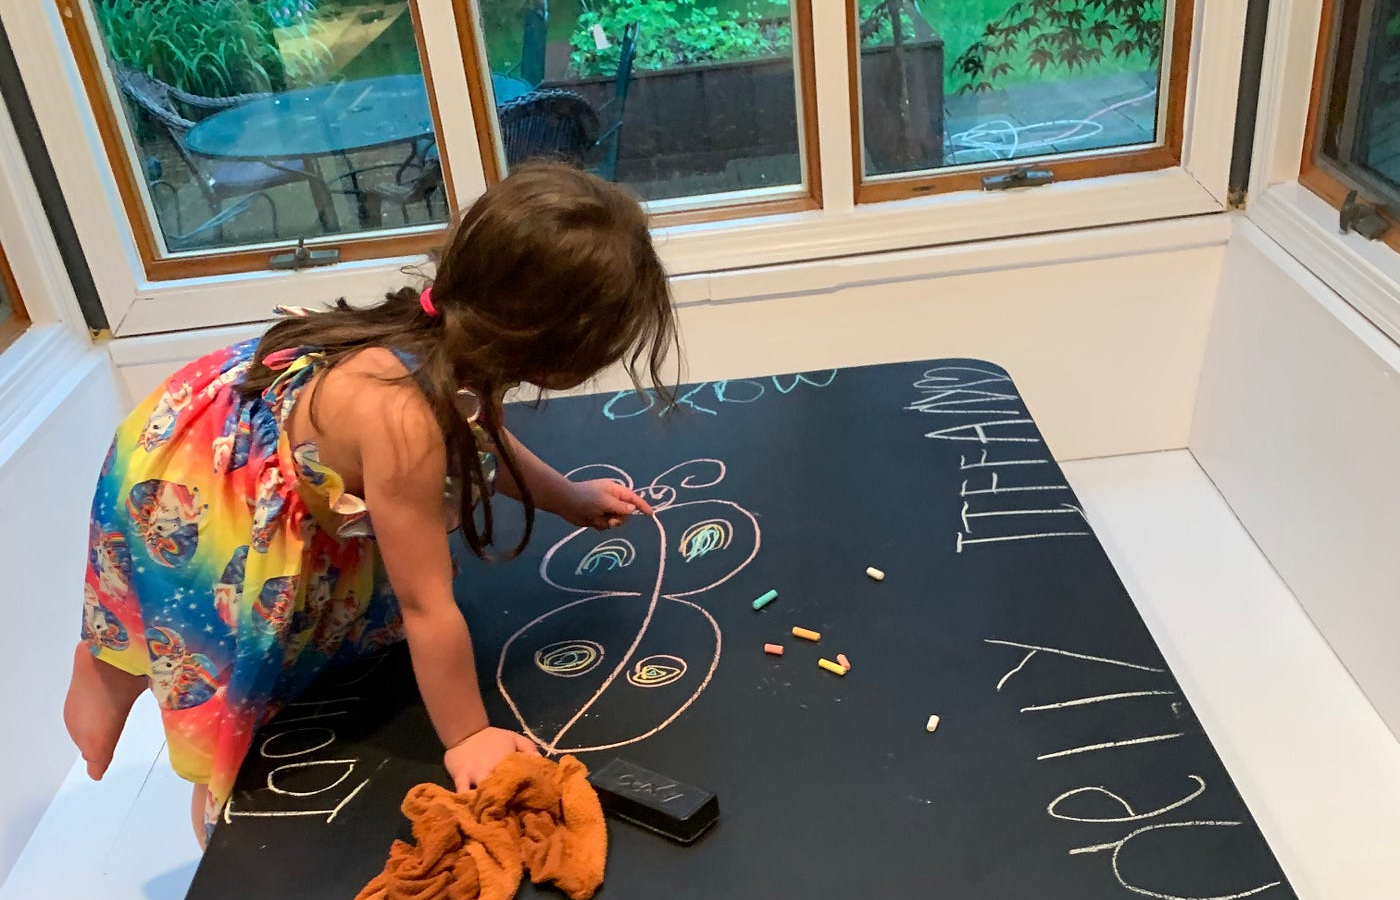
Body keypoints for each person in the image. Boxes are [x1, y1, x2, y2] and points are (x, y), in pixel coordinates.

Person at [62, 162, 678, 843]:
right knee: (220, 669)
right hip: (202, 487)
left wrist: (568, 498)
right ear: (558, 345)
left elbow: (481, 437)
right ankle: (125, 699)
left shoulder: (461, 344)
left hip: (290, 452)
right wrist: (468, 736)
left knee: (318, 636)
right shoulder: (404, 421)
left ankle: (114, 660)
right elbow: (426, 602)